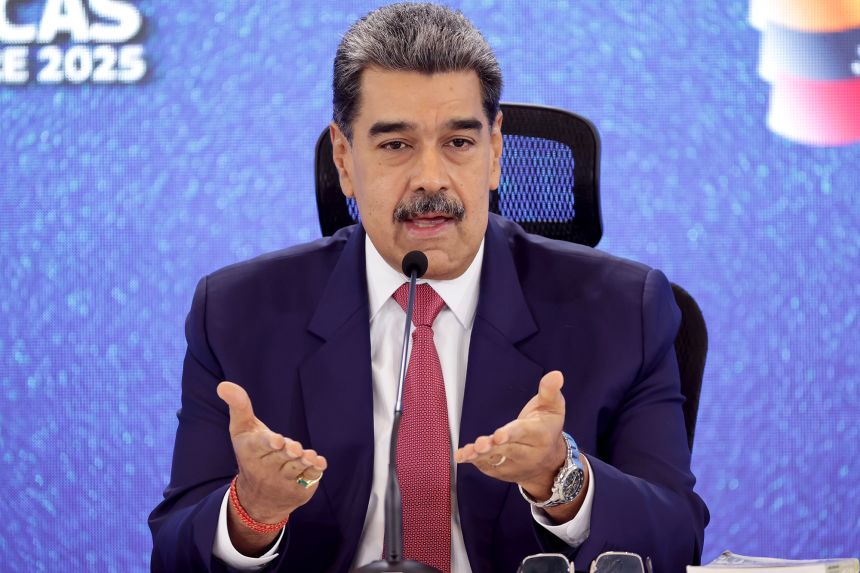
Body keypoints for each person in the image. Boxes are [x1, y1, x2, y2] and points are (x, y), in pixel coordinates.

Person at [149, 3, 709, 572]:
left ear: (494, 152)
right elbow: (173, 553)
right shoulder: (238, 313)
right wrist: (251, 513)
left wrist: (560, 480)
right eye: (396, 145)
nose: (431, 179)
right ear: (345, 159)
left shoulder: (622, 311)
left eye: (459, 143)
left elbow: (676, 538)